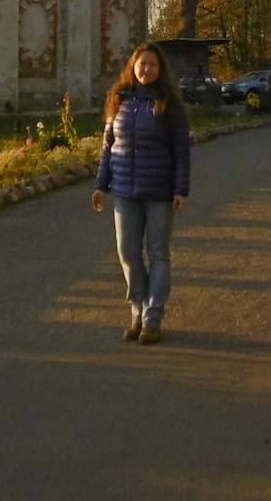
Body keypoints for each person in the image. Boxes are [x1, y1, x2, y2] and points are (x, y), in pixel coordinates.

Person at [92, 43, 191, 344]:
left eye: (152, 65)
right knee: (128, 253)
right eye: (141, 63)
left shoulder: (168, 102)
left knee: (158, 254)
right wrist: (100, 185)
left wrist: (181, 190)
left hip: (159, 191)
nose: (145, 69)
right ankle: (137, 314)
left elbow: (181, 150)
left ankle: (152, 320)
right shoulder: (119, 99)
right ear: (132, 67)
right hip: (124, 190)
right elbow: (108, 146)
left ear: (160, 71)